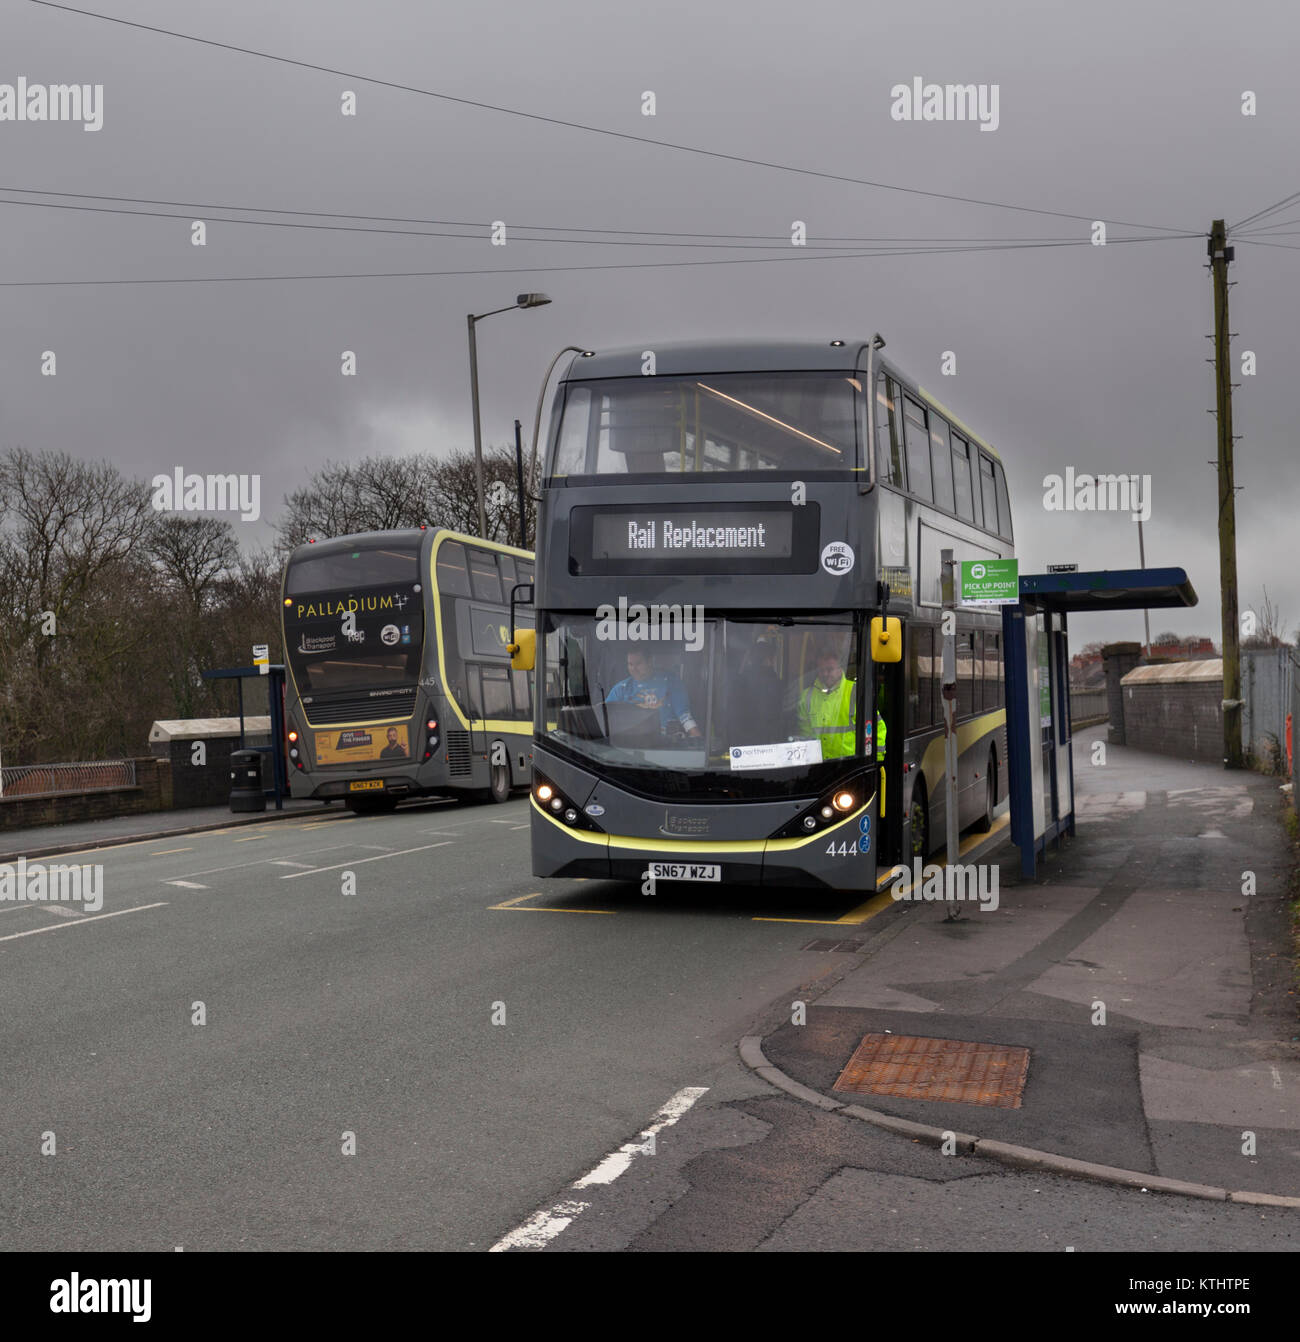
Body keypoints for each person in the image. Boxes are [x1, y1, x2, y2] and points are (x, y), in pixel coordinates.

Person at [605, 650, 702, 738]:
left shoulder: (670, 681)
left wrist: (696, 736)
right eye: (630, 664)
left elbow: (684, 714)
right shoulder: (621, 689)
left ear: (650, 661)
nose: (634, 669)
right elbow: (605, 717)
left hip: (667, 745)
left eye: (638, 664)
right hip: (631, 745)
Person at [798, 648, 857, 759]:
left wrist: (877, 759)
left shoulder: (855, 692)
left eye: (830, 669)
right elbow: (804, 733)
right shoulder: (806, 696)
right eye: (821, 670)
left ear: (840, 669)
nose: (825, 674)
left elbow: (876, 728)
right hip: (817, 765)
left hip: (849, 767)